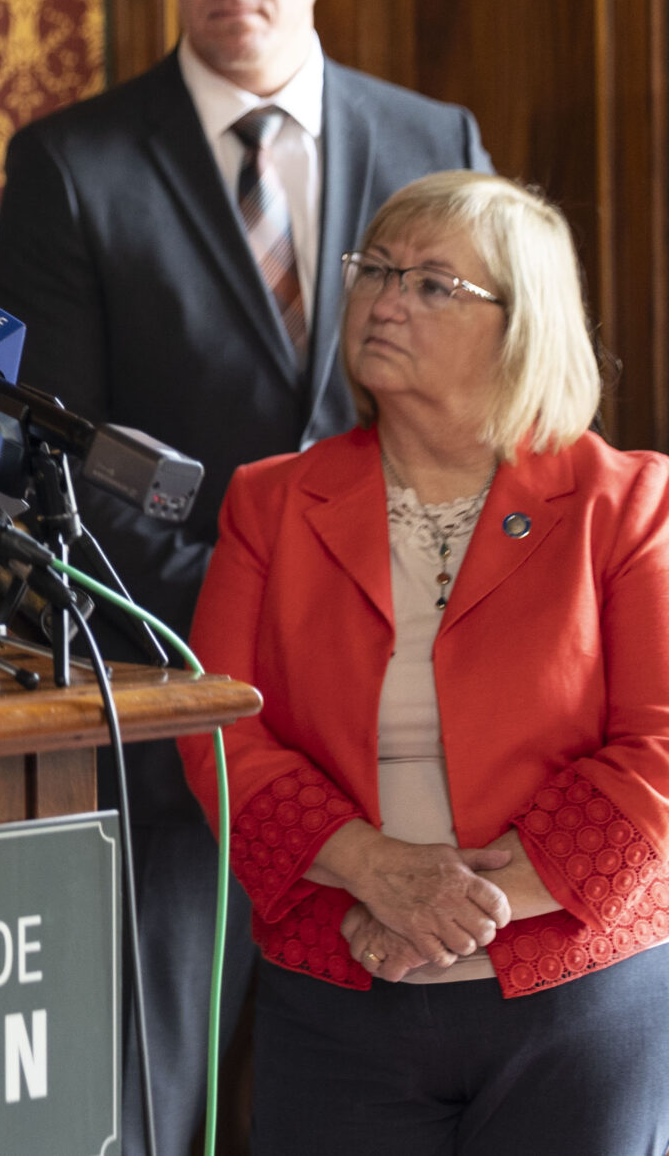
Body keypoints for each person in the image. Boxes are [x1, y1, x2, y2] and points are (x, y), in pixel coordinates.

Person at [0, 0, 493, 1154]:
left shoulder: (432, 135)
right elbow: (61, 460)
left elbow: (487, 412)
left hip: (421, 717)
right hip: (177, 713)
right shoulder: (73, 165)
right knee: (162, 1099)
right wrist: (242, 635)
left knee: (393, 1091)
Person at [181, 171, 669, 1151]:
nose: (385, 301)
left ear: (520, 324)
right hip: (334, 998)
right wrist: (372, 874)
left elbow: (658, 747)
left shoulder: (625, 502)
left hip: (574, 1000)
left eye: (432, 283)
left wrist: (444, 913)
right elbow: (219, 727)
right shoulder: (270, 502)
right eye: (376, 271)